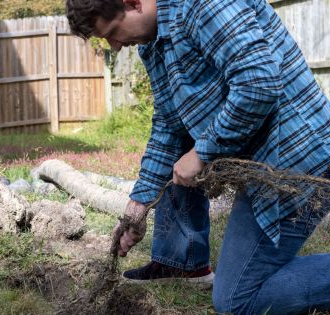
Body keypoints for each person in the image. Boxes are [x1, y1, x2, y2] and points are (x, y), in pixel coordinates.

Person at [66, 0, 330, 313]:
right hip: (261, 176)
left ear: (132, 3)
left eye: (112, 32)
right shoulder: (154, 44)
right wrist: (138, 206)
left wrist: (202, 153)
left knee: (236, 301)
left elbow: (259, 83)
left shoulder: (204, 6)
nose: (115, 46)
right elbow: (168, 125)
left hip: (298, 163)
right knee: (234, 295)